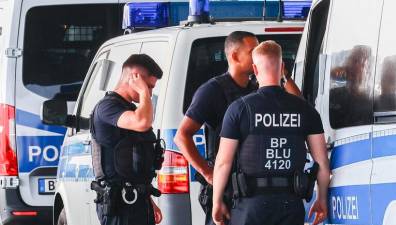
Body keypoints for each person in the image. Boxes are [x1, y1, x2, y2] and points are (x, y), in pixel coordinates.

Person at [174, 31, 300, 225]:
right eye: (252, 51)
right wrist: (208, 173)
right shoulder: (212, 91)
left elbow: (299, 105)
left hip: (251, 190)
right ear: (234, 56)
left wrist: (281, 72)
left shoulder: (258, 89)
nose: (258, 54)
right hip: (226, 190)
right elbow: (182, 136)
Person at [212, 41, 330, 225]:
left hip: (250, 207)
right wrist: (321, 199)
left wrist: (216, 202)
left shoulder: (239, 109)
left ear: (255, 69)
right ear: (282, 67)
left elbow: (223, 163)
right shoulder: (305, 109)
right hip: (290, 205)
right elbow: (322, 162)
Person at [90, 54, 164, 225]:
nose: (150, 92)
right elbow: (143, 122)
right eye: (149, 86)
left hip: (136, 201)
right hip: (118, 205)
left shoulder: (130, 109)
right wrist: (144, 92)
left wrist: (149, 200)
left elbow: (134, 168)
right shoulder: (107, 107)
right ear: (135, 77)